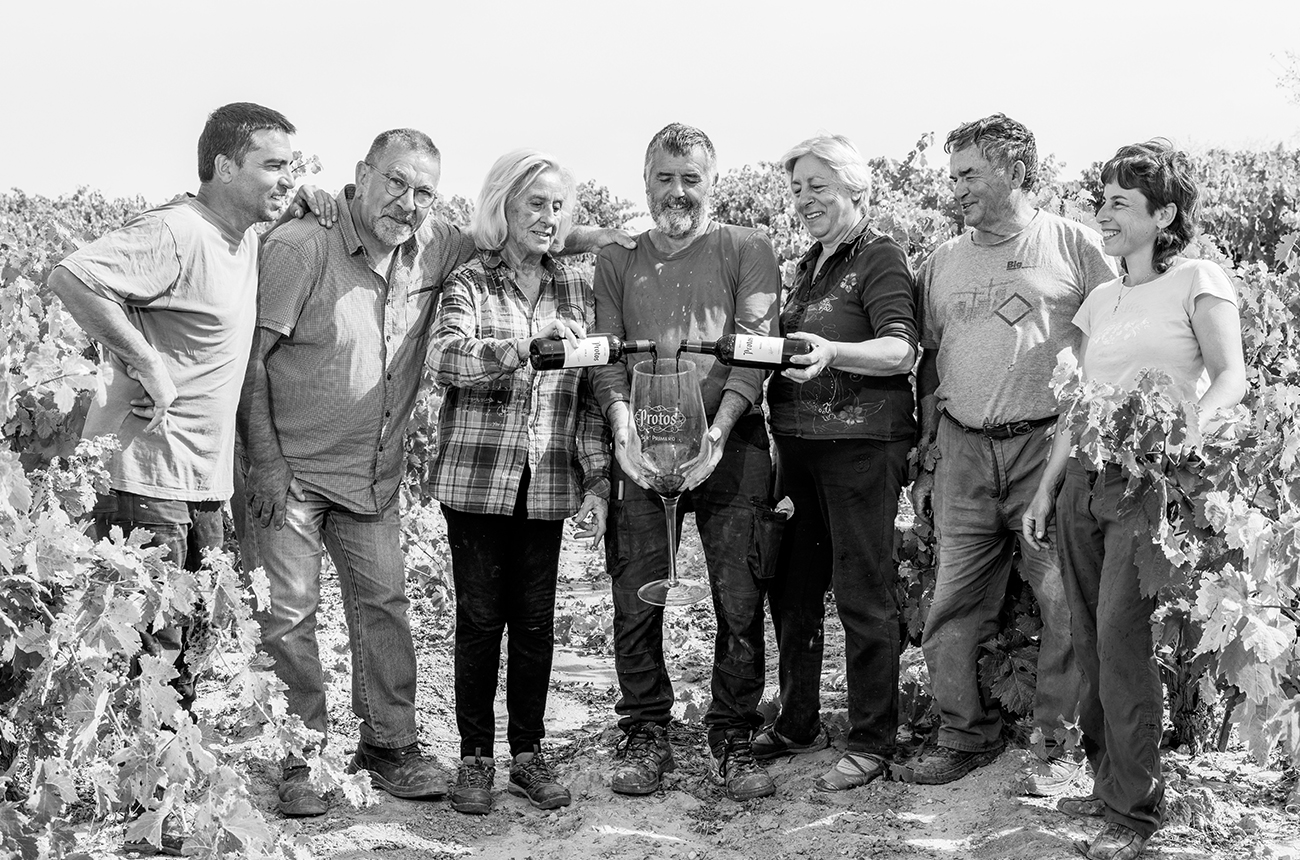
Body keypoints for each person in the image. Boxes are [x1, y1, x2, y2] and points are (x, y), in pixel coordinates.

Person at [239, 129, 631, 818]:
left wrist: (613, 235)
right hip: (293, 470)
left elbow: (541, 237)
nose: (408, 201)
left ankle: (388, 748)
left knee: (385, 607)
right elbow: (254, 358)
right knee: (292, 619)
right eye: (394, 182)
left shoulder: (437, 245)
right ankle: (305, 757)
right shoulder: (305, 245)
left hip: (372, 473)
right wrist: (265, 463)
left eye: (423, 190)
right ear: (361, 176)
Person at [48, 101, 297, 853]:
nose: (288, 180)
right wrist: (146, 359)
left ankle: (158, 807)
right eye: (273, 164)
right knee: (147, 661)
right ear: (223, 166)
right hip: (147, 480)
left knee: (181, 655)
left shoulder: (241, 236)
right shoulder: (179, 231)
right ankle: (142, 819)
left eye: (293, 166)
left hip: (199, 485)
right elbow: (72, 276)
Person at [1022, 141, 1245, 860]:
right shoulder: (1102, 298)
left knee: (1120, 635)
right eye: (1103, 200)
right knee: (1086, 634)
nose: (1104, 214)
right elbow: (1079, 404)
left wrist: (1183, 441)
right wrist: (1047, 484)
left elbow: (1229, 378)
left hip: (1145, 484)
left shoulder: (1198, 280)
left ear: (1165, 213)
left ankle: (1134, 813)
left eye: (1121, 202)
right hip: (1084, 480)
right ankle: (1106, 779)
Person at [896, 113, 1114, 789]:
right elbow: (929, 362)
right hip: (963, 451)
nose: (954, 187)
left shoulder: (1074, 247)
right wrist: (928, 450)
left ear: (1015, 172)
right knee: (954, 601)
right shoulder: (941, 260)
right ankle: (964, 735)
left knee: (1062, 603)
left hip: (1047, 447)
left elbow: (1113, 343)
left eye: (969, 173)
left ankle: (1056, 742)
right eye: (952, 173)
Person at [590, 123, 781, 802]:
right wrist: (623, 435)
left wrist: (721, 431)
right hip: (643, 446)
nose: (678, 191)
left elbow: (755, 349)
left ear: (712, 183)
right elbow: (606, 358)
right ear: (645, 184)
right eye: (665, 178)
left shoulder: (747, 249)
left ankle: (732, 733)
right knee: (634, 594)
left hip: (731, 445)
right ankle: (645, 730)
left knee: (737, 595)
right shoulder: (615, 259)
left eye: (691, 178)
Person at [425, 150, 610, 815]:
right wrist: (519, 351)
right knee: (479, 620)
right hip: (478, 479)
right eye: (535, 203)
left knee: (534, 624)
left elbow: (587, 395)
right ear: (502, 205)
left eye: (558, 206)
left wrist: (597, 477)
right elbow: (445, 359)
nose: (547, 217)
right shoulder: (471, 281)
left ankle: (528, 754)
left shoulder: (576, 291)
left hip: (550, 480)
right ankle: (474, 758)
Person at [754, 134, 917, 791]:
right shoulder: (806, 266)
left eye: (818, 186)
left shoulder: (879, 257)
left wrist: (832, 350)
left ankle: (873, 739)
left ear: (856, 190)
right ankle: (798, 723)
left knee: (862, 593)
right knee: (791, 592)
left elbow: (900, 352)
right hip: (796, 449)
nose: (805, 200)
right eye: (797, 189)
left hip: (860, 449)